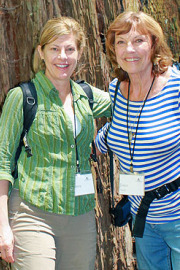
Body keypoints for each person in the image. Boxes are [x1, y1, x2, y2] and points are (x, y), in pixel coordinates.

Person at [0, 16, 111, 269]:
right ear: (41, 52)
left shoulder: (86, 96)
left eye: (69, 49)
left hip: (81, 214)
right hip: (33, 212)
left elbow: (132, 105)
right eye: (54, 48)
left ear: (79, 53)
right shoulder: (23, 97)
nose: (62, 57)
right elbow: (0, 164)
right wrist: (1, 226)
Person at [95, 11, 180, 270]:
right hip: (142, 217)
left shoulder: (176, 86)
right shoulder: (115, 91)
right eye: (120, 42)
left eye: (138, 41)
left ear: (154, 44)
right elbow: (112, 135)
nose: (128, 49)